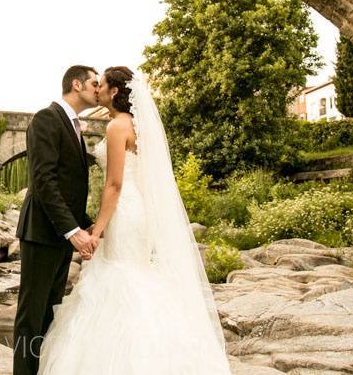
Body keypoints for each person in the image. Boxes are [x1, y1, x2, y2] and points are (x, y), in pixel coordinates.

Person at [37, 66, 232, 374]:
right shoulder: (135, 126)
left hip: (124, 212)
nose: (97, 89)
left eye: (100, 85)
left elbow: (114, 185)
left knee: (121, 278)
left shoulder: (117, 127)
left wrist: (96, 232)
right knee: (134, 275)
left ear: (114, 91)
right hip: (136, 213)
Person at [13, 65, 102, 375]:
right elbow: (44, 181)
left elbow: (69, 185)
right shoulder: (46, 119)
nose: (98, 88)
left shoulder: (75, 126)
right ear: (76, 84)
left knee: (50, 314)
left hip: (61, 236)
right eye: (94, 82)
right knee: (31, 317)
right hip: (41, 233)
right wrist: (72, 230)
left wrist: (88, 224)